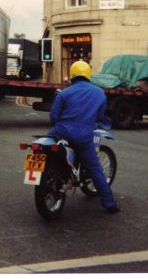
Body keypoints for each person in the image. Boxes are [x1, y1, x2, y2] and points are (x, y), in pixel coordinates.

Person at [48, 60, 120, 214]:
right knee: (95, 168)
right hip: (83, 135)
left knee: (47, 146)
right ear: (88, 75)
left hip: (60, 131)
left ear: (72, 76)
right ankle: (109, 203)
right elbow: (99, 116)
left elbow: (53, 117)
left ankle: (50, 170)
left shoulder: (64, 92)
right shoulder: (99, 93)